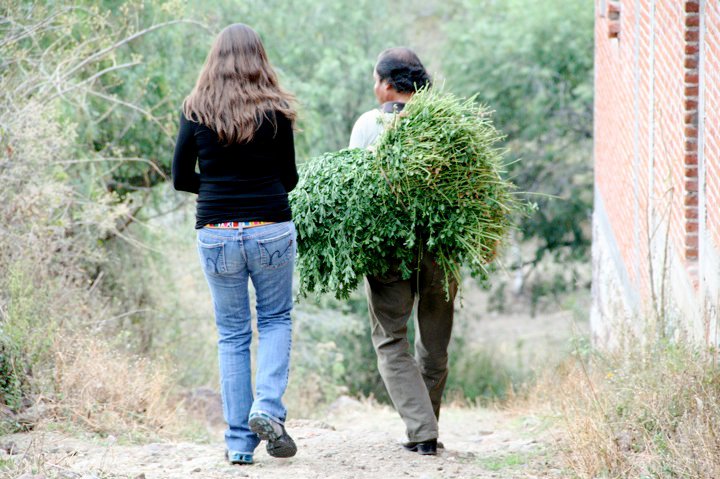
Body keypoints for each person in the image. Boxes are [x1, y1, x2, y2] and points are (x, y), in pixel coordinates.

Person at [172, 23, 298, 465]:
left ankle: (240, 444)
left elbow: (180, 177)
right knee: (276, 319)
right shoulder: (276, 109)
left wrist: (218, 188)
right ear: (259, 58)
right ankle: (267, 407)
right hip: (270, 225)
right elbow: (291, 178)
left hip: (216, 231)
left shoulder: (195, 108)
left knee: (232, 334)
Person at [349, 47, 457, 456]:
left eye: (375, 79)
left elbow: (356, 189)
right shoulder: (446, 123)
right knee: (434, 343)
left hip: (388, 250)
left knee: (391, 339)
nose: (374, 87)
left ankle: (422, 429)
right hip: (441, 248)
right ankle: (426, 428)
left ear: (388, 84)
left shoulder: (368, 125)